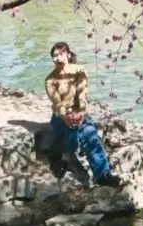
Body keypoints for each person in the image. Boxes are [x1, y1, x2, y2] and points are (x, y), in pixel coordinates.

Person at [45, 43, 122, 188]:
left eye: (60, 54)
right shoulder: (50, 80)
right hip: (59, 116)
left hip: (78, 112)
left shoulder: (79, 71)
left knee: (89, 132)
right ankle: (67, 154)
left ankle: (103, 174)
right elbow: (57, 102)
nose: (57, 58)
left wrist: (81, 112)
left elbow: (82, 94)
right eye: (54, 56)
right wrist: (65, 116)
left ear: (68, 54)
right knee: (73, 128)